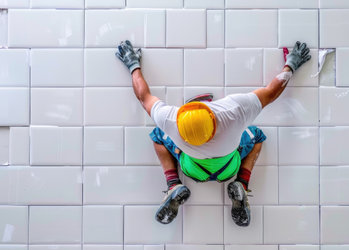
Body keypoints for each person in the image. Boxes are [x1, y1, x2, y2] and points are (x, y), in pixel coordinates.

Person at [116, 40, 311, 227]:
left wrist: (134, 65)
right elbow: (271, 92)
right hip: (228, 167)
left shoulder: (171, 120)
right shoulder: (233, 111)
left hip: (193, 170)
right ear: (210, 112)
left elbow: (144, 97)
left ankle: (173, 184)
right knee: (256, 136)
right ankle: (241, 183)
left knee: (158, 135)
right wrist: (291, 65)